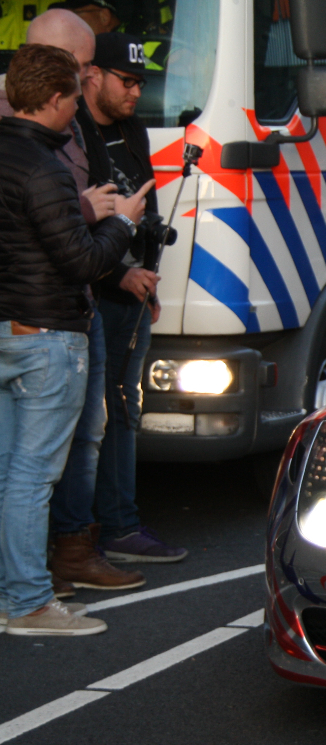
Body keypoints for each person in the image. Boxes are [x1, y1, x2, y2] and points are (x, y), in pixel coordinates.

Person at [0, 42, 149, 635]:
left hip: (7, 327)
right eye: (72, 102)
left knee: (10, 473)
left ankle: (16, 593)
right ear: (59, 99)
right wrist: (121, 222)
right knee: (32, 478)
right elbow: (81, 261)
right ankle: (30, 603)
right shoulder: (46, 168)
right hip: (48, 337)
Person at [79, 31, 187, 565]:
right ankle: (110, 526)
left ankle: (112, 521)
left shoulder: (132, 129)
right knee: (102, 414)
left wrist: (146, 274)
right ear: (92, 74)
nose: (135, 92)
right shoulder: (74, 132)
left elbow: (145, 207)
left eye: (141, 82)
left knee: (124, 409)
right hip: (97, 292)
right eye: (126, 80)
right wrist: (120, 277)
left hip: (134, 292)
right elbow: (72, 229)